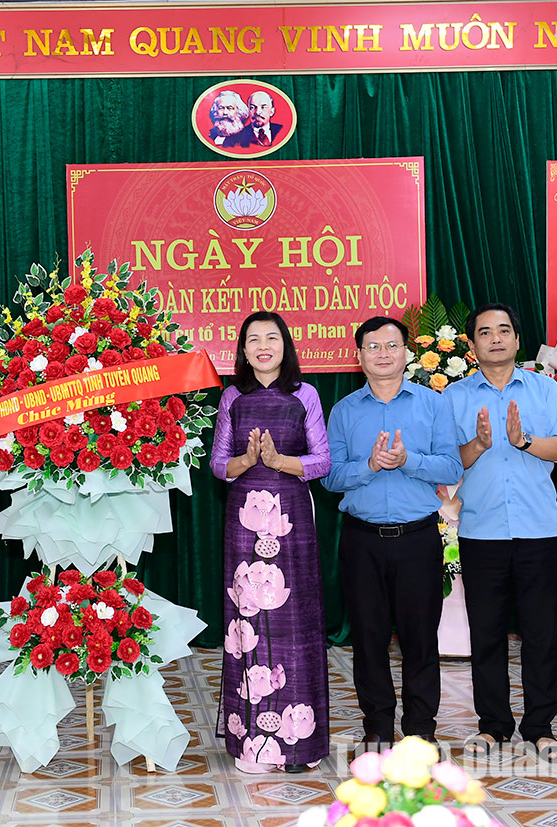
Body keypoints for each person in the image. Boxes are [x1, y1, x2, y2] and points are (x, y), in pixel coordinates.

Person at [444, 303, 557, 763]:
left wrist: (524, 442)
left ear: (518, 340)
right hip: (482, 530)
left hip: (538, 528)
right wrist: (478, 445)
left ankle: (540, 726)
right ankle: (494, 726)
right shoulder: (455, 397)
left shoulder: (544, 389)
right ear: (473, 344)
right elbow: (446, 464)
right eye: (485, 332)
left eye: (504, 330)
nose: (496, 338)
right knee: (487, 633)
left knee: (542, 633)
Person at [321, 317, 462, 753]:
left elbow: (452, 467)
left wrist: (408, 461)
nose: (383, 353)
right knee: (368, 638)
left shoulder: (433, 404)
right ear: (359, 355)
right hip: (362, 541)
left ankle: (421, 729)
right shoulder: (344, 410)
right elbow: (330, 478)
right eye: (373, 346)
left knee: (421, 639)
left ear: (406, 353)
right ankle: (377, 727)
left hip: (418, 538)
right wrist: (371, 465)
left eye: (392, 345)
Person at [210, 311, 332, 773]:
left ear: (286, 345)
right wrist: (244, 460)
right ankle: (251, 744)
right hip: (243, 520)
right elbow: (218, 466)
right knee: (248, 623)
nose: (263, 346)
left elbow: (322, 462)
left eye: (272, 338)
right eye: (253, 339)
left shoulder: (306, 395)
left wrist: (281, 461)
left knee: (294, 622)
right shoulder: (232, 398)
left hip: (291, 519)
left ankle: (299, 746)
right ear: (242, 350)